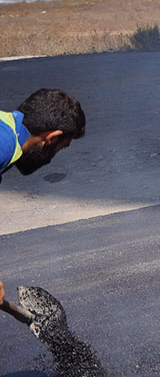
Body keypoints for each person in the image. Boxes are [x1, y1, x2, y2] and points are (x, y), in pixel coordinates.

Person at [1, 88, 86, 315]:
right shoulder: (4, 143)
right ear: (53, 138)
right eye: (61, 147)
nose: (50, 159)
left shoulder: (8, 130)